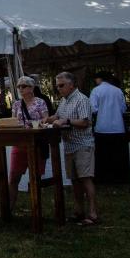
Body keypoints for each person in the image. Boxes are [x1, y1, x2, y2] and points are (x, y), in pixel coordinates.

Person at [45, 71, 98, 225]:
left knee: (86, 178)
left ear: (71, 84)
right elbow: (57, 116)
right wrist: (46, 119)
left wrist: (66, 120)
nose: (59, 89)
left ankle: (93, 213)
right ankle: (79, 211)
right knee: (75, 180)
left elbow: (85, 122)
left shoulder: (82, 99)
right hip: (69, 145)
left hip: (83, 145)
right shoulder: (64, 100)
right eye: (57, 86)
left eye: (61, 85)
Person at [7, 76, 49, 213]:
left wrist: (39, 124)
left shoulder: (40, 102)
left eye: (23, 86)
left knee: (35, 178)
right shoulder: (16, 104)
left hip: (35, 142)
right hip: (19, 142)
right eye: (19, 86)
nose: (20, 89)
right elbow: (13, 121)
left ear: (31, 88)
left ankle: (36, 208)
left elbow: (45, 118)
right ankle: (9, 209)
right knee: (13, 176)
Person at [89, 70, 129, 184]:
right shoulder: (118, 91)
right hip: (118, 128)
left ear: (99, 79)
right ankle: (119, 179)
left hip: (102, 127)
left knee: (103, 156)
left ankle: (103, 179)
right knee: (117, 155)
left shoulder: (96, 90)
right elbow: (123, 109)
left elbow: (93, 109)